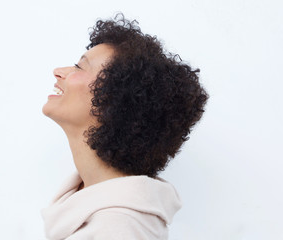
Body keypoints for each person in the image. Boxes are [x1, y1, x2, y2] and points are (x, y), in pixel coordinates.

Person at [41, 13, 209, 240]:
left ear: (113, 102)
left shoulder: (118, 230)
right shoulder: (95, 212)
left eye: (79, 67)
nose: (59, 71)